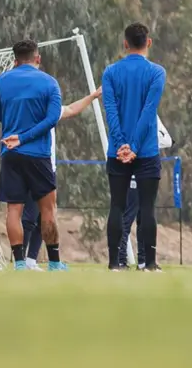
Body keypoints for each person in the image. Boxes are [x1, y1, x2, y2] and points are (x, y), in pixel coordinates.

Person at [0, 39, 66, 271]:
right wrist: (26, 137)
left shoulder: (2, 81)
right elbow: (52, 119)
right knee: (47, 209)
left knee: (13, 210)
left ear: (15, 61)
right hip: (38, 155)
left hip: (11, 153)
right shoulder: (50, 83)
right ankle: (54, 263)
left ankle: (18, 263)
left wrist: (17, 135)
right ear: (38, 59)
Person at [102, 23, 166, 271]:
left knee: (117, 205)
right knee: (147, 207)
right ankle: (149, 263)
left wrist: (121, 144)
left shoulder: (110, 72)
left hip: (118, 152)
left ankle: (113, 263)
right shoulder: (157, 72)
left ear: (125, 43)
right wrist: (136, 146)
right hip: (147, 150)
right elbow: (149, 112)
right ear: (148, 43)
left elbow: (111, 111)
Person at [21, 87, 105, 270]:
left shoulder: (50, 109)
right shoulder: (27, 110)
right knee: (30, 215)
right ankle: (20, 261)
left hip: (48, 168)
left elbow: (71, 109)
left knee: (46, 214)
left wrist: (91, 96)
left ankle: (30, 260)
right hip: (33, 165)